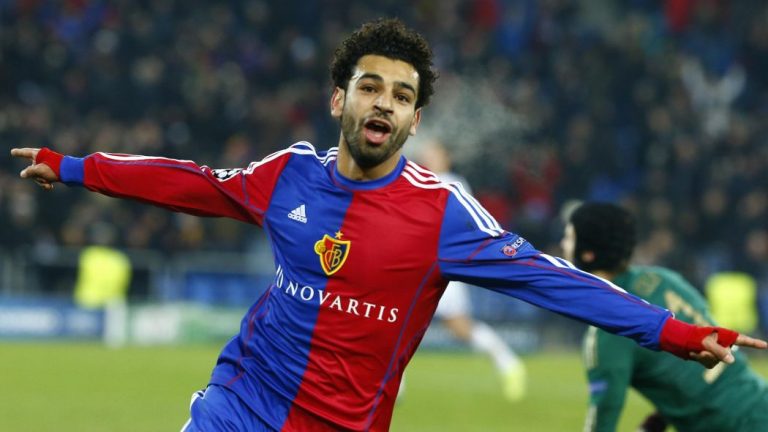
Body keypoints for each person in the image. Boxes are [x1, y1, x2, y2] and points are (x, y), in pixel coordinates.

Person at [10, 18, 765, 432]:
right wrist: (73, 166)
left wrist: (674, 332)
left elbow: (551, 280)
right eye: (370, 87)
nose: (385, 104)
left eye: (402, 97)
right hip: (239, 404)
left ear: (414, 120)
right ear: (339, 100)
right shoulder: (288, 175)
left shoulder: (441, 213)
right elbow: (193, 184)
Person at [560, 202, 768, 432]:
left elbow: (603, 421)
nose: (562, 244)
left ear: (588, 254)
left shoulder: (607, 333)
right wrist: (657, 422)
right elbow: (694, 370)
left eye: (568, 238)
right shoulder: (665, 280)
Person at [417, 138, 526, 402]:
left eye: (434, 153)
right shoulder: (420, 180)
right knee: (398, 318)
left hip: (443, 263)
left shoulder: (453, 183)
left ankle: (507, 361)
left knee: (459, 326)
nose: (428, 158)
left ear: (446, 157)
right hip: (421, 263)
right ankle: (393, 384)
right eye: (427, 153)